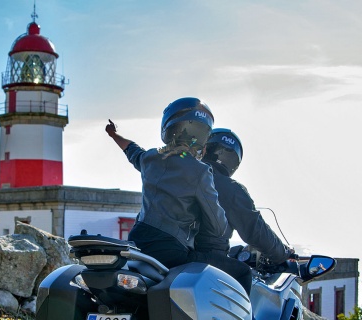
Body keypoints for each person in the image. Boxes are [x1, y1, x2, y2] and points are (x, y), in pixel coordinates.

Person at [105, 97, 227, 269]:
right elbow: (218, 224)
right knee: (241, 272)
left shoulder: (150, 158)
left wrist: (113, 134)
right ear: (202, 139)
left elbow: (131, 150)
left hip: (137, 243)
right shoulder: (200, 171)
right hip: (171, 250)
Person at [192, 128, 295, 295]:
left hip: (171, 252)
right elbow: (255, 230)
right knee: (243, 274)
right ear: (233, 161)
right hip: (205, 259)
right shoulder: (230, 188)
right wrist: (282, 254)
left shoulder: (183, 177)